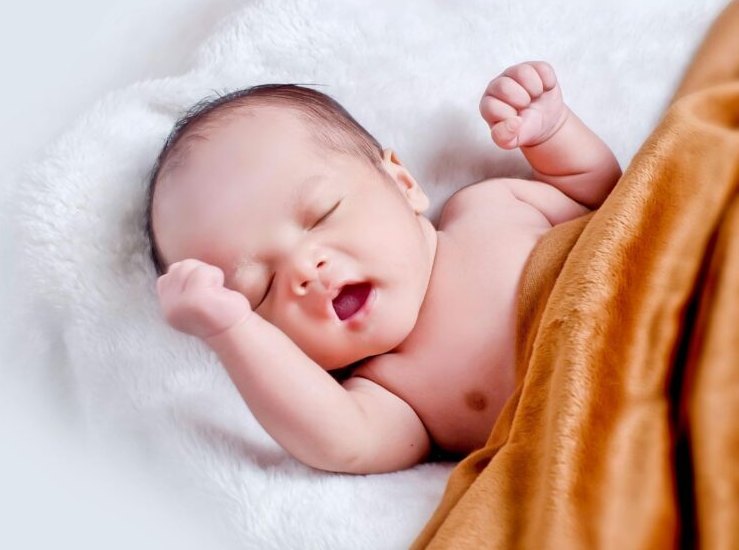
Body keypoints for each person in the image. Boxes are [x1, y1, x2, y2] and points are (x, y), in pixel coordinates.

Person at [144, 62, 621, 474]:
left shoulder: (490, 206)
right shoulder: (394, 394)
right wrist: (230, 331)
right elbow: (338, 442)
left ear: (402, 181)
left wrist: (554, 130)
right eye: (260, 289)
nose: (307, 270)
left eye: (322, 214)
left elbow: (602, 200)